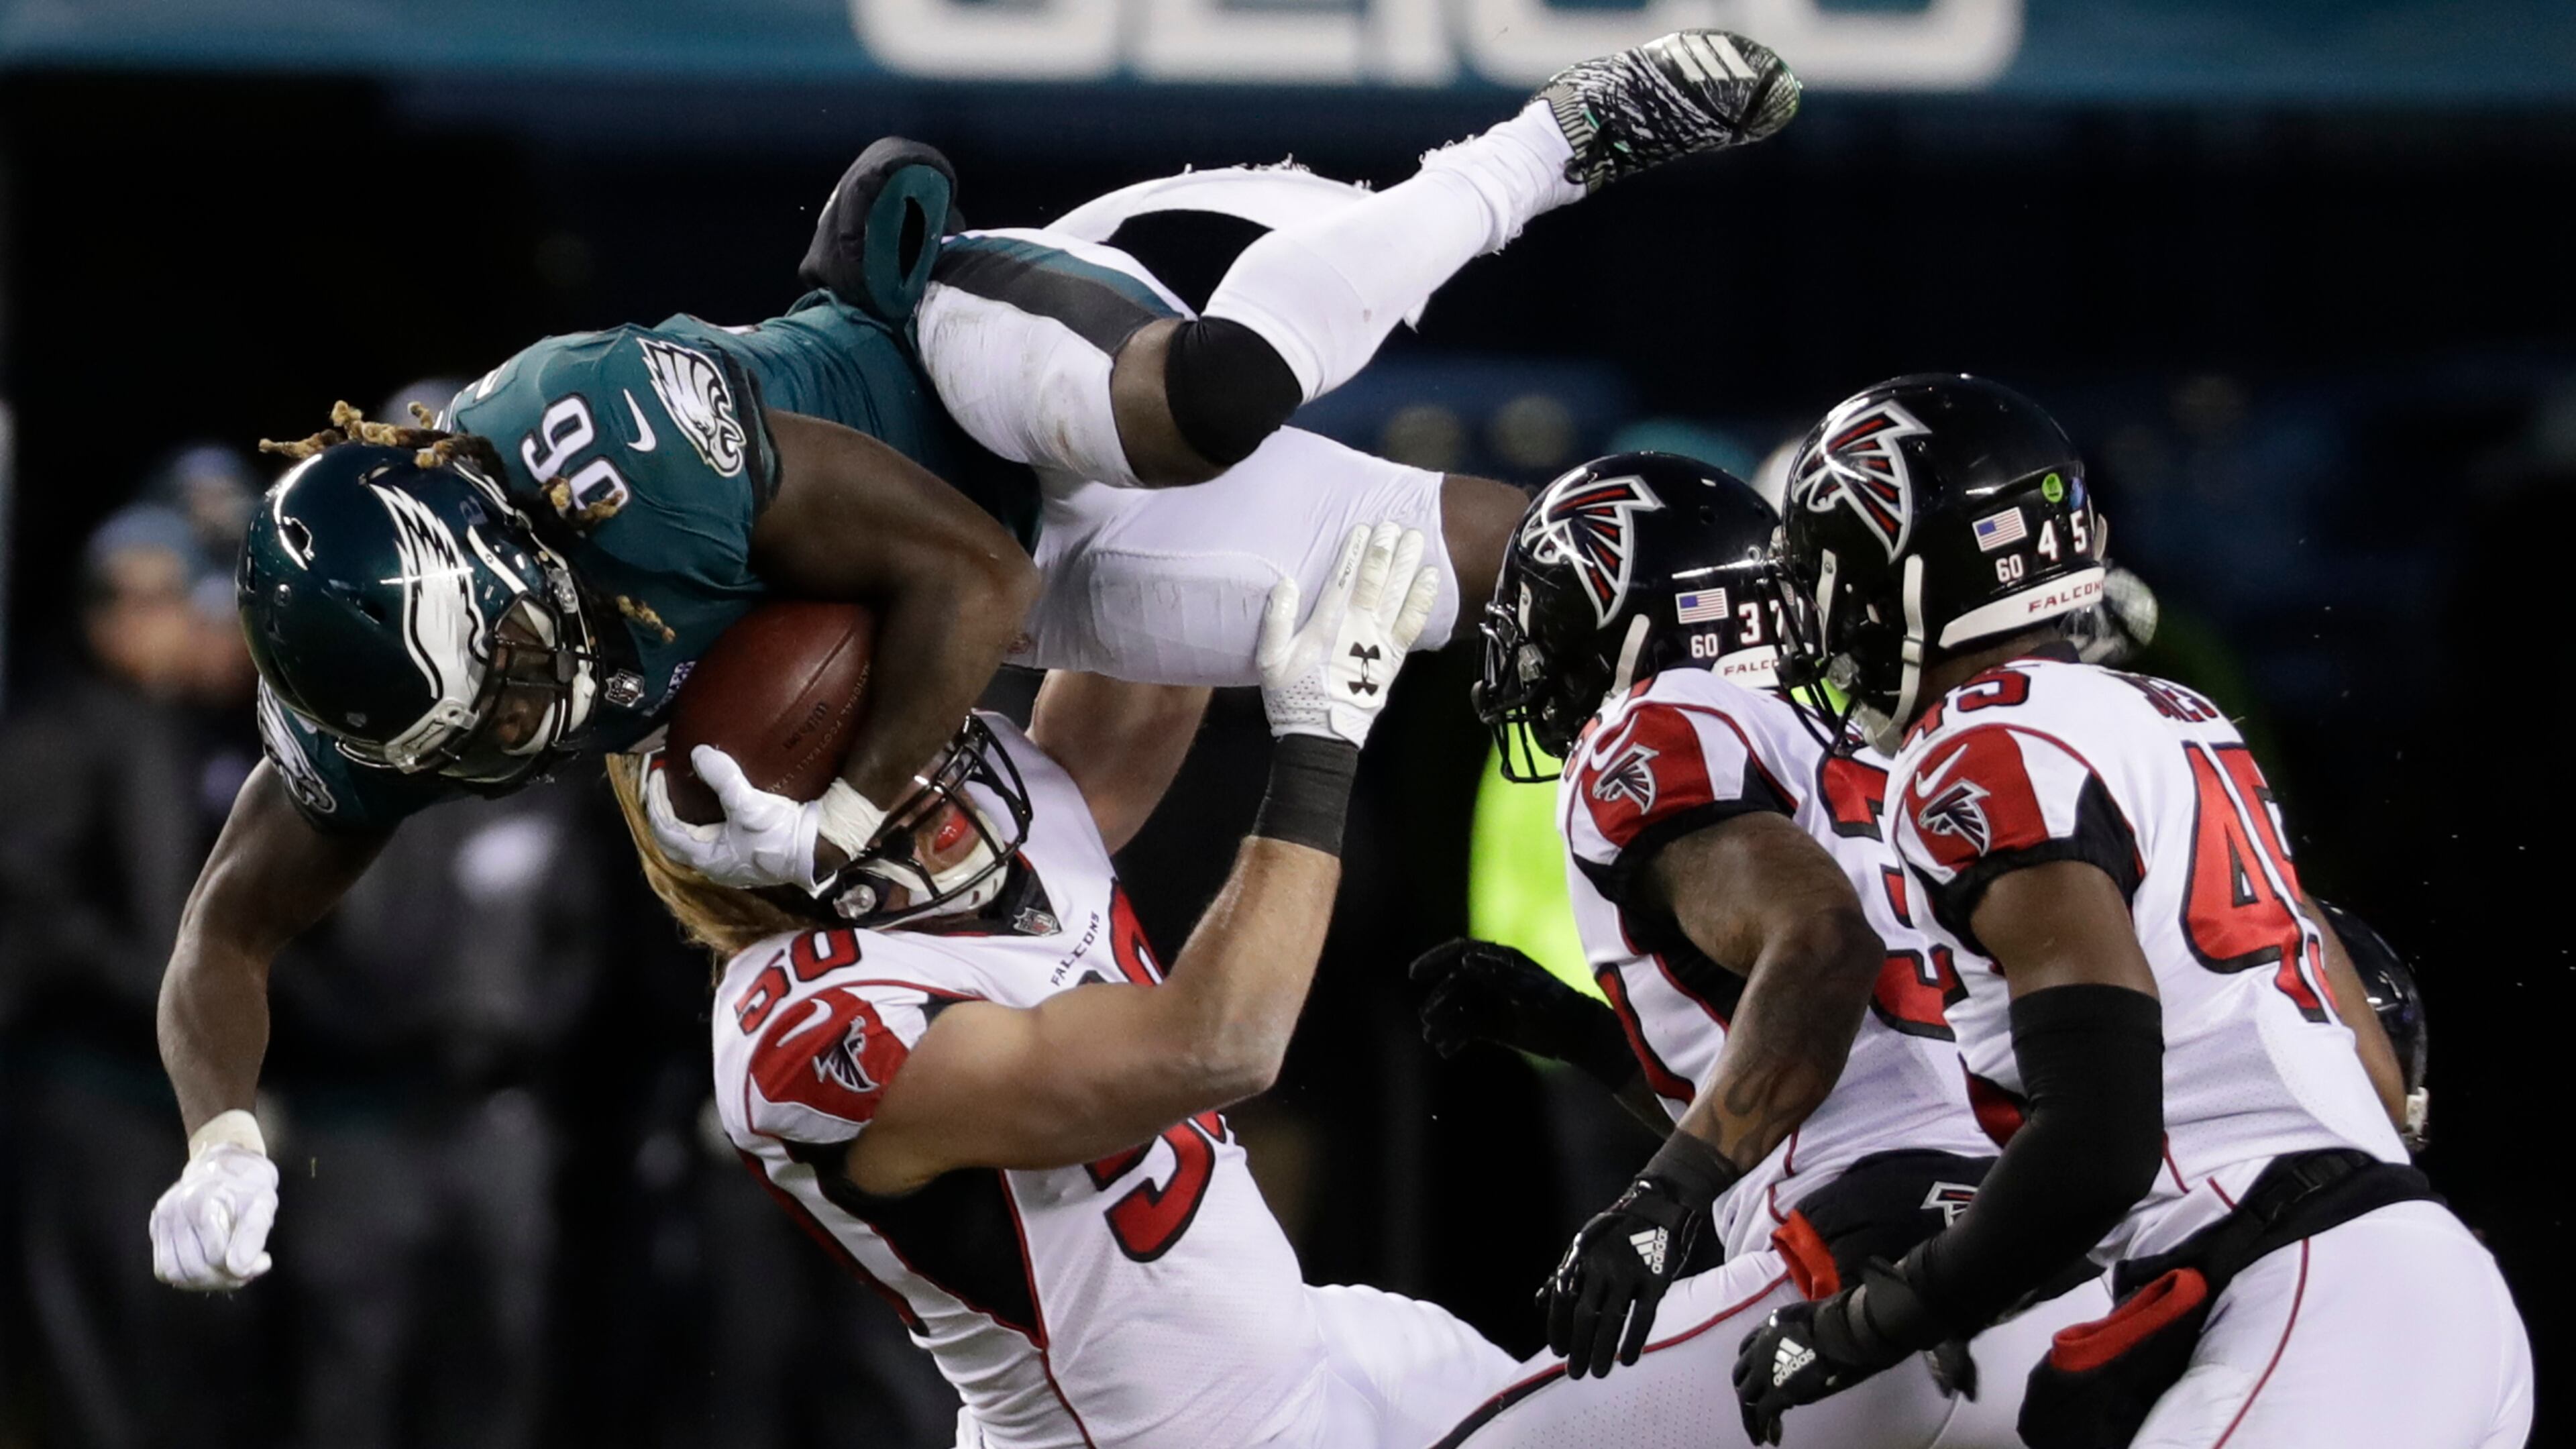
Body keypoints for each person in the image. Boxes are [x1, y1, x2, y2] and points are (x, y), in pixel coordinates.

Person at [150, 28, 1803, 1293]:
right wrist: (215, 1132)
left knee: (1205, 399)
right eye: (485, 724)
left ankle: (1551, 138)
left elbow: (971, 559)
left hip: (966, 379)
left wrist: (849, 812)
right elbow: (225, 936)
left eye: (516, 666)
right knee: (1584, 580)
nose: (532, 719)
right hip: (1032, 577)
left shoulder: (625, 434)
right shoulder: (385, 714)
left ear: (495, 535)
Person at [1736, 375, 2531, 1448]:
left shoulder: (1978, 752)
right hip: (2404, 1283)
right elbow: (2377, 1087)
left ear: (1908, 578)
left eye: (1832, 577)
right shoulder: (2174, 711)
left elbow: (2102, 1133)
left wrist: (1878, 1317)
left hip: (2308, 1300)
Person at [641, 524, 1521, 1447]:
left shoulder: (991, 788)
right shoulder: (801, 1026)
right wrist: (1321, 740)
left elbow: (1165, 637)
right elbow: (1220, 1044)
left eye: (903, 725)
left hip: (1310, 1349)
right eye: (851, 772)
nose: (919, 780)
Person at [1406, 455, 2102, 1448]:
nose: (1528, 660)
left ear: (1622, 614)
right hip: (2019, 1237)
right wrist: (1589, 1037)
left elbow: (1824, 948)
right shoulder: (1868, 742)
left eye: (1544, 621)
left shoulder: (1651, 722)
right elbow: (1845, 1048)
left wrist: (1660, 1203)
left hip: (1861, 1248)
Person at [0, 506, 266, 1448]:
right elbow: (31, 911)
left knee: (174, 1354)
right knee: (99, 1363)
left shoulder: (181, 729)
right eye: (135, 600)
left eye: (172, 598)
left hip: (147, 1095)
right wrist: (164, 983)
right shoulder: (59, 732)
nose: (158, 622)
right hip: (84, 1091)